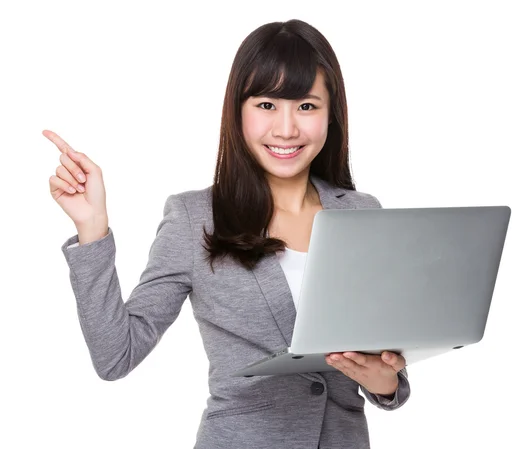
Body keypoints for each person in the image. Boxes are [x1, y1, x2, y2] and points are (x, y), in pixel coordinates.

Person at [46, 19, 410, 449]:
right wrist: (92, 231)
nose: (287, 129)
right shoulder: (193, 217)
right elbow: (115, 356)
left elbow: (385, 371)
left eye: (307, 106)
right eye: (267, 105)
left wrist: (386, 381)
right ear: (238, 111)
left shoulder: (363, 212)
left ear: (332, 114)